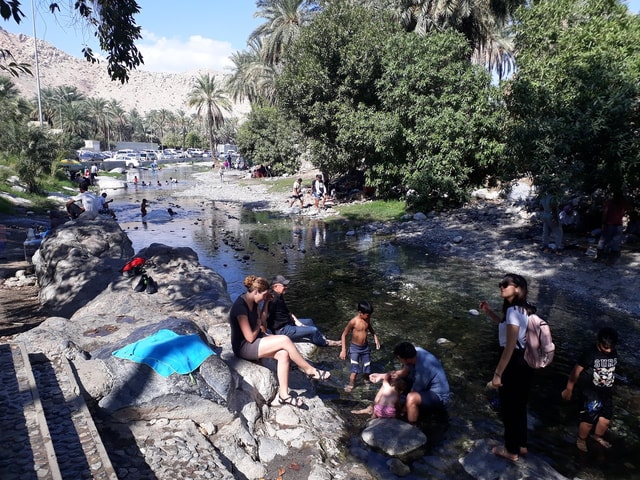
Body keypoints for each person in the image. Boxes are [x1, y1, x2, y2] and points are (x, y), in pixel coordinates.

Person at [229, 275, 331, 408]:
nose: (264, 297)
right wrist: (258, 324)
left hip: (256, 339)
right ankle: (309, 370)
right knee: (284, 340)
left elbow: (263, 320)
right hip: (244, 347)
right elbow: (249, 337)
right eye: (264, 295)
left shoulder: (253, 301)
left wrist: (265, 303)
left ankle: (284, 395)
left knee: (284, 354)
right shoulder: (240, 308)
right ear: (256, 291)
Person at [479, 273, 535, 461]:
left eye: (506, 284)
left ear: (518, 288)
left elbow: (510, 346)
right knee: (519, 405)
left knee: (509, 407)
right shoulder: (523, 309)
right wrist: (489, 312)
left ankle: (511, 451)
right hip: (526, 362)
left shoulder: (513, 311)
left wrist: (497, 374)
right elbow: (506, 327)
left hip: (514, 362)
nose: (502, 287)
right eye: (500, 284)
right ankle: (522, 445)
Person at [561, 327, 619, 452]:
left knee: (606, 418)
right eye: (606, 347)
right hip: (590, 390)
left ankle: (597, 436)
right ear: (599, 342)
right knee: (590, 416)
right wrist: (569, 389)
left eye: (611, 347)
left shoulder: (613, 351)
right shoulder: (590, 353)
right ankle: (581, 439)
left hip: (606, 390)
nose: (608, 350)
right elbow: (576, 371)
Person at [370, 342, 450, 424]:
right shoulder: (415, 352)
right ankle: (375, 406)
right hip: (420, 384)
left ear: (405, 359)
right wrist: (382, 376)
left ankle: (411, 426)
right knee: (391, 381)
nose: (399, 360)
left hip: (438, 396)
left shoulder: (424, 369)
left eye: (399, 358)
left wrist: (401, 411)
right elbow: (404, 372)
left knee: (411, 398)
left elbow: (414, 391)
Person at [266, 275, 340, 347]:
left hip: (288, 323)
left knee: (309, 321)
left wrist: (297, 322)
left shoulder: (279, 296)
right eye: (284, 285)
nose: (286, 287)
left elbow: (288, 312)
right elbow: (266, 316)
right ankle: (325, 343)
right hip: (282, 329)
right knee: (313, 330)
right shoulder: (272, 299)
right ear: (275, 286)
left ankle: (320, 338)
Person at [339, 300, 380, 391]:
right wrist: (343, 350)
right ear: (360, 313)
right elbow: (344, 334)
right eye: (368, 315)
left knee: (367, 368)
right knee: (354, 371)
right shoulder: (353, 321)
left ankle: (365, 380)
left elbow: (369, 327)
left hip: (365, 348)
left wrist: (375, 337)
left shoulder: (367, 319)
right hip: (355, 349)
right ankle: (351, 384)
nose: (369, 317)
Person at [596, 192, 630, 264]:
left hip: (609, 224)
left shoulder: (610, 203)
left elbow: (605, 213)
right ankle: (612, 259)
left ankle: (600, 257)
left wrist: (603, 223)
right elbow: (625, 211)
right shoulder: (622, 204)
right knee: (615, 242)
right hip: (618, 225)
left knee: (603, 240)